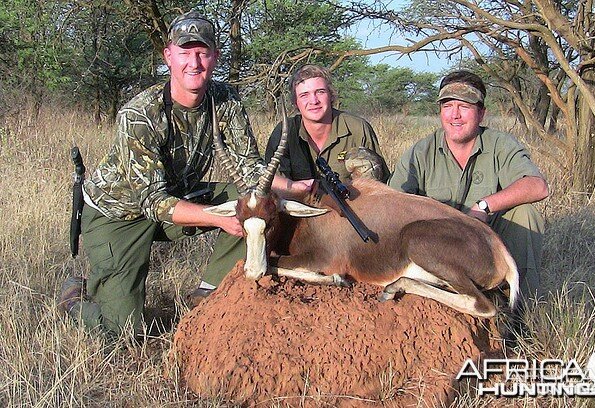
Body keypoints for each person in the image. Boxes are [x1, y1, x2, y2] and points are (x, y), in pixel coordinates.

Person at [57, 10, 265, 338]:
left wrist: (276, 192)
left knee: (251, 202)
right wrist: (218, 217)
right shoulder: (140, 114)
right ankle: (73, 297)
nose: (194, 62)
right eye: (185, 52)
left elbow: (249, 167)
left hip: (176, 198)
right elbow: (152, 202)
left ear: (215, 57)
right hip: (118, 216)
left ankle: (210, 296)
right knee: (124, 332)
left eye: (202, 52)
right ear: (169, 56)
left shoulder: (225, 100)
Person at [388, 70, 549, 305]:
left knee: (526, 214)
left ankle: (521, 309)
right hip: (440, 248)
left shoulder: (500, 145)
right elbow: (394, 203)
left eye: (464, 106)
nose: (455, 115)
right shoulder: (420, 152)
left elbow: (538, 187)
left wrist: (484, 206)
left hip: (486, 242)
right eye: (447, 106)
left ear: (481, 113)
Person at [265, 64, 390, 196]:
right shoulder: (284, 131)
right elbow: (269, 179)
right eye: (304, 95)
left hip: (352, 208)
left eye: (320, 92)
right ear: (296, 102)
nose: (313, 101)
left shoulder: (357, 128)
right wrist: (294, 187)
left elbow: (381, 185)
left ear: (331, 95)